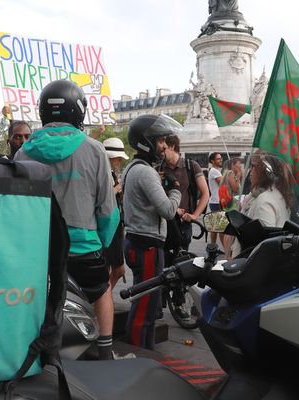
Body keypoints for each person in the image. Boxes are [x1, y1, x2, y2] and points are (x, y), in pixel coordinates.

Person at [14, 80, 120, 360]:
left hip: (41, 251)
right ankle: (106, 351)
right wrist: (103, 244)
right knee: (101, 291)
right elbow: (107, 209)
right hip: (84, 248)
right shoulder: (94, 149)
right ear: (78, 110)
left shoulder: (23, 152)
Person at [122, 114, 181, 349]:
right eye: (159, 141)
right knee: (144, 307)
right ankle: (138, 354)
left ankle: (143, 350)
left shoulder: (134, 168)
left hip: (139, 241)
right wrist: (175, 189)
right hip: (146, 245)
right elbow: (168, 210)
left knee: (145, 304)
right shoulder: (145, 172)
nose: (164, 145)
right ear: (145, 142)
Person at [230, 153, 292, 258]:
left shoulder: (265, 200)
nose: (250, 171)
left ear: (263, 171)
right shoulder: (277, 193)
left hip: (255, 267)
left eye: (253, 166)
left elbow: (264, 246)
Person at [160, 134, 209, 251]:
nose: (161, 152)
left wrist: (194, 215)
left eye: (164, 148)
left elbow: (205, 193)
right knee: (164, 263)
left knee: (181, 261)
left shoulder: (191, 166)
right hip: (164, 223)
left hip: (183, 223)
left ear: (172, 146)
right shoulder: (159, 169)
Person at [102, 137, 129, 290]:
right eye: (118, 159)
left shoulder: (110, 173)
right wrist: (118, 188)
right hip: (110, 226)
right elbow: (102, 197)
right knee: (116, 269)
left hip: (114, 224)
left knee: (112, 269)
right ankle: (102, 299)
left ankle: (103, 299)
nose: (119, 162)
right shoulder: (104, 174)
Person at [207, 152, 224, 245]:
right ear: (212, 161)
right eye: (218, 159)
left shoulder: (216, 171)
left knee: (216, 227)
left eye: (221, 158)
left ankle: (213, 247)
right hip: (217, 202)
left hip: (216, 201)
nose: (220, 160)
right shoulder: (214, 171)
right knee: (220, 228)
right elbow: (224, 182)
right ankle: (224, 249)